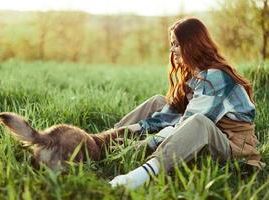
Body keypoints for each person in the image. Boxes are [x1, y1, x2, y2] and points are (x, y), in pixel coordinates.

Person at [109, 17, 265, 189]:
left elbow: (186, 124)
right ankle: (108, 141)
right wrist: (131, 130)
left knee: (199, 123)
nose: (172, 49)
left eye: (176, 44)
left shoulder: (214, 77)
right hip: (215, 135)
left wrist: (139, 146)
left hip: (236, 150)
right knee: (158, 101)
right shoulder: (197, 74)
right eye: (172, 44)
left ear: (192, 45)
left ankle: (140, 176)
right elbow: (174, 116)